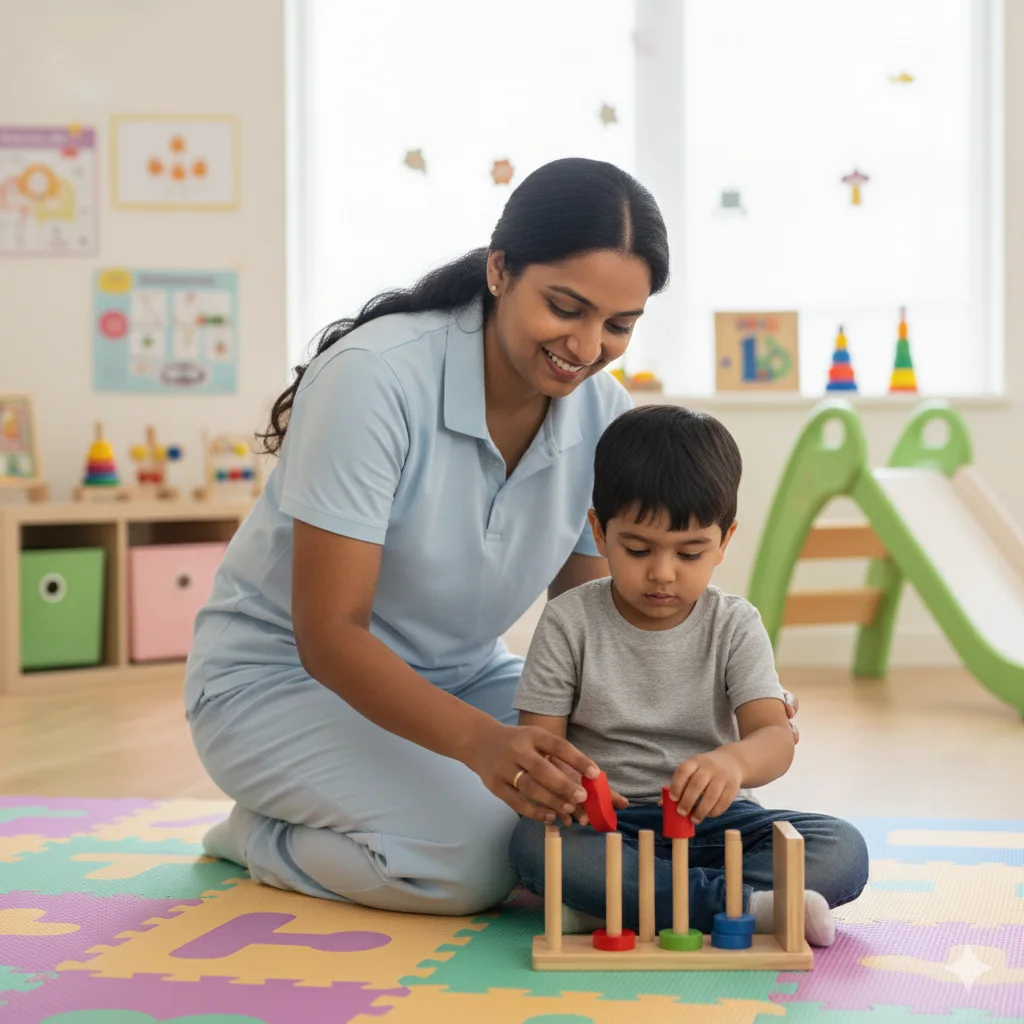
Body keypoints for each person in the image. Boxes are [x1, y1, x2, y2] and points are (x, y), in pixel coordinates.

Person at [184, 156, 799, 917]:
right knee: (476, 861)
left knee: (624, 800)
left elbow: (603, 619)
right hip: (278, 685)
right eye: (566, 308)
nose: (587, 346)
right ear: (501, 270)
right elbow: (329, 634)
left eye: (618, 325)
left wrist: (723, 693)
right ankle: (260, 837)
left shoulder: (603, 415)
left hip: (468, 678)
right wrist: (480, 745)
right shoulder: (372, 380)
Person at [509, 405, 868, 946]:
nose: (662, 573)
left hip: (721, 826)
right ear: (599, 532)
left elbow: (775, 737)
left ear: (724, 541)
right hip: (612, 829)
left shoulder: (735, 624)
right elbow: (541, 748)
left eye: (691, 552)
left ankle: (619, 903)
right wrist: (567, 789)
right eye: (637, 549)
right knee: (532, 844)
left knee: (843, 847)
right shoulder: (568, 621)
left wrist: (733, 763)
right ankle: (745, 906)